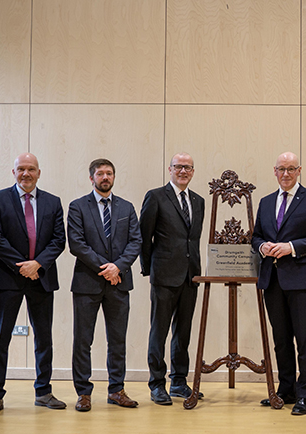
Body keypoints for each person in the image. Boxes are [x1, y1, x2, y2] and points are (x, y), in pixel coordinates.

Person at [0, 152, 67, 416]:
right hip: (9, 277)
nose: (26, 174)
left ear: (39, 173)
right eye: (21, 169)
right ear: (14, 172)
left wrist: (37, 264)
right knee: (0, 339)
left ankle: (43, 392)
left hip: (41, 278)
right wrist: (23, 265)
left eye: (31, 169)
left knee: (44, 338)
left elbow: (58, 240)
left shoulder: (53, 202)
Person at [252, 152, 306, 415]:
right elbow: (255, 237)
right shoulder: (264, 202)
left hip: (302, 281)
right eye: (281, 169)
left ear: (299, 170)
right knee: (281, 340)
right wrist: (262, 246)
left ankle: (305, 396)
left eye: (291, 169)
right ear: (274, 171)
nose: (286, 174)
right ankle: (286, 390)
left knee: (305, 340)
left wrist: (291, 247)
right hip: (272, 281)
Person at [67, 158, 142, 411]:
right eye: (100, 174)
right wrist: (106, 268)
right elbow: (77, 244)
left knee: (117, 339)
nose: (105, 177)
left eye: (109, 173)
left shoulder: (127, 208)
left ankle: (116, 390)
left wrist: (118, 267)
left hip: (119, 283)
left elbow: (136, 242)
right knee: (83, 340)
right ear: (92, 178)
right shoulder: (77, 207)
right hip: (87, 283)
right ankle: (84, 393)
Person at [140, 153, 205, 405]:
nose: (183, 171)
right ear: (169, 169)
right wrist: (149, 270)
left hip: (191, 275)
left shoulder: (198, 201)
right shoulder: (155, 196)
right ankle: (157, 384)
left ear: (193, 171)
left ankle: (179, 381)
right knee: (159, 331)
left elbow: (193, 239)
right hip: (164, 275)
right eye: (178, 167)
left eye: (188, 167)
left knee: (183, 332)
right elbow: (145, 237)